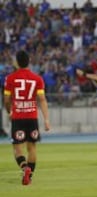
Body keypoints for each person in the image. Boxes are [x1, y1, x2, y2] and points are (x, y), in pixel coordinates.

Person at [3, 50, 50, 185]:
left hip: (18, 117)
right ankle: (30, 176)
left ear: (16, 62)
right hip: (32, 117)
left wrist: (9, 111)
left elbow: (6, 99)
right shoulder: (37, 79)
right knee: (32, 148)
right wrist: (46, 119)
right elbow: (42, 100)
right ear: (29, 61)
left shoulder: (10, 78)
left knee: (18, 149)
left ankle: (25, 168)